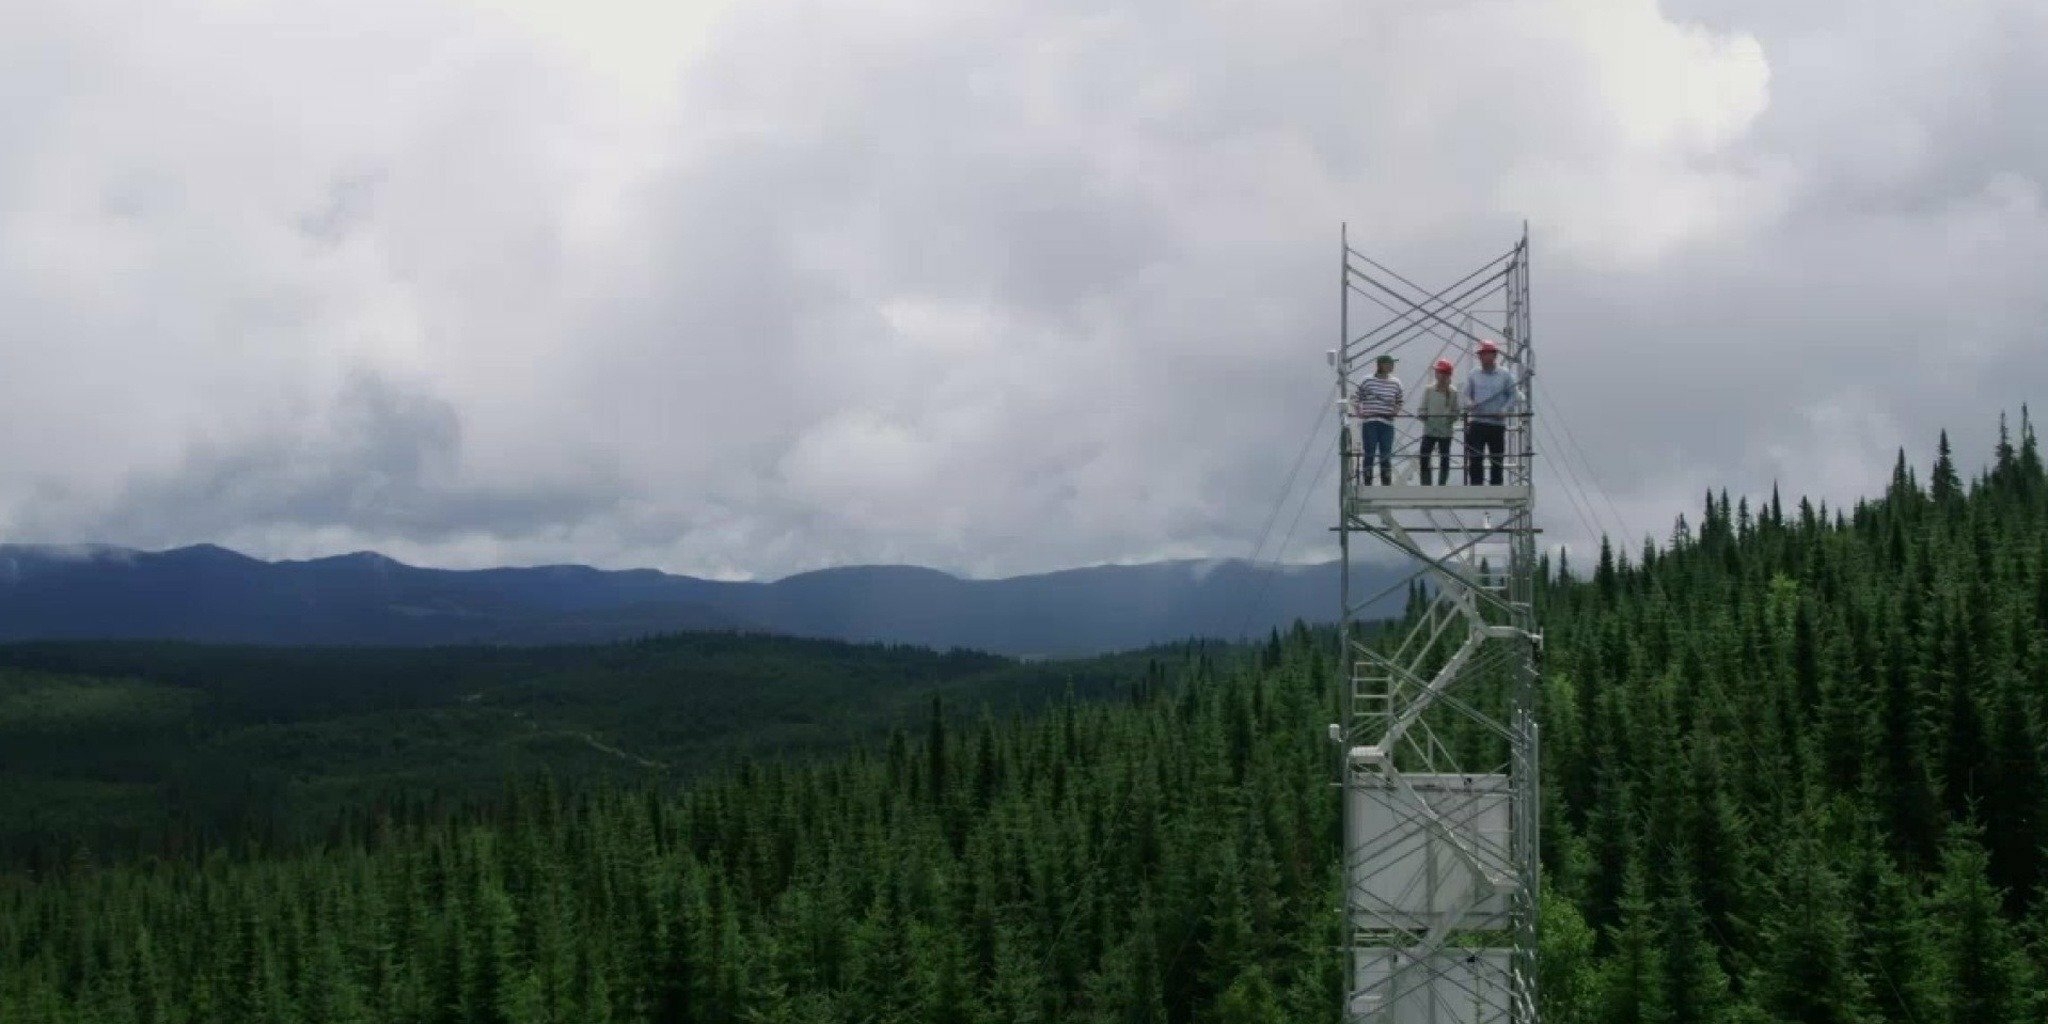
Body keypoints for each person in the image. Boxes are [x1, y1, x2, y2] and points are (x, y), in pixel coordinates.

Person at [1462, 339, 1518, 485]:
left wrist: (1504, 410)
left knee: (1497, 459)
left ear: (1495, 355)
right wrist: (1470, 404)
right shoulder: (1473, 374)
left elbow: (1513, 395)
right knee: (1475, 457)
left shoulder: (1505, 375)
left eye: (1488, 353)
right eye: (1482, 354)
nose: (1484, 357)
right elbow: (1465, 395)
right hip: (1477, 423)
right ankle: (1476, 487)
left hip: (1496, 424)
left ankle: (1496, 487)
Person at [1353, 353, 1404, 486]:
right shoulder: (1367, 380)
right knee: (1369, 452)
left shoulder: (1396, 383)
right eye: (1390, 363)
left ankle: (1386, 481)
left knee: (1386, 453)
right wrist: (1359, 411)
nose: (1392, 366)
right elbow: (1356, 397)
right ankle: (1368, 480)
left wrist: (1395, 411)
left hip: (1387, 423)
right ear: (1381, 365)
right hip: (1370, 421)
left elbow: (1399, 401)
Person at [1415, 358, 1461, 485]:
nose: (1441, 376)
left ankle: (1442, 484)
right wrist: (1424, 415)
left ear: (1448, 375)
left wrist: (1449, 418)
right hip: (1429, 430)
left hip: (1445, 432)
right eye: (1439, 372)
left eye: (1443, 373)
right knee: (1424, 456)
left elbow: (1456, 411)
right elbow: (1422, 409)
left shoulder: (1453, 392)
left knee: (1444, 458)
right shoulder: (1429, 390)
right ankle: (1426, 484)